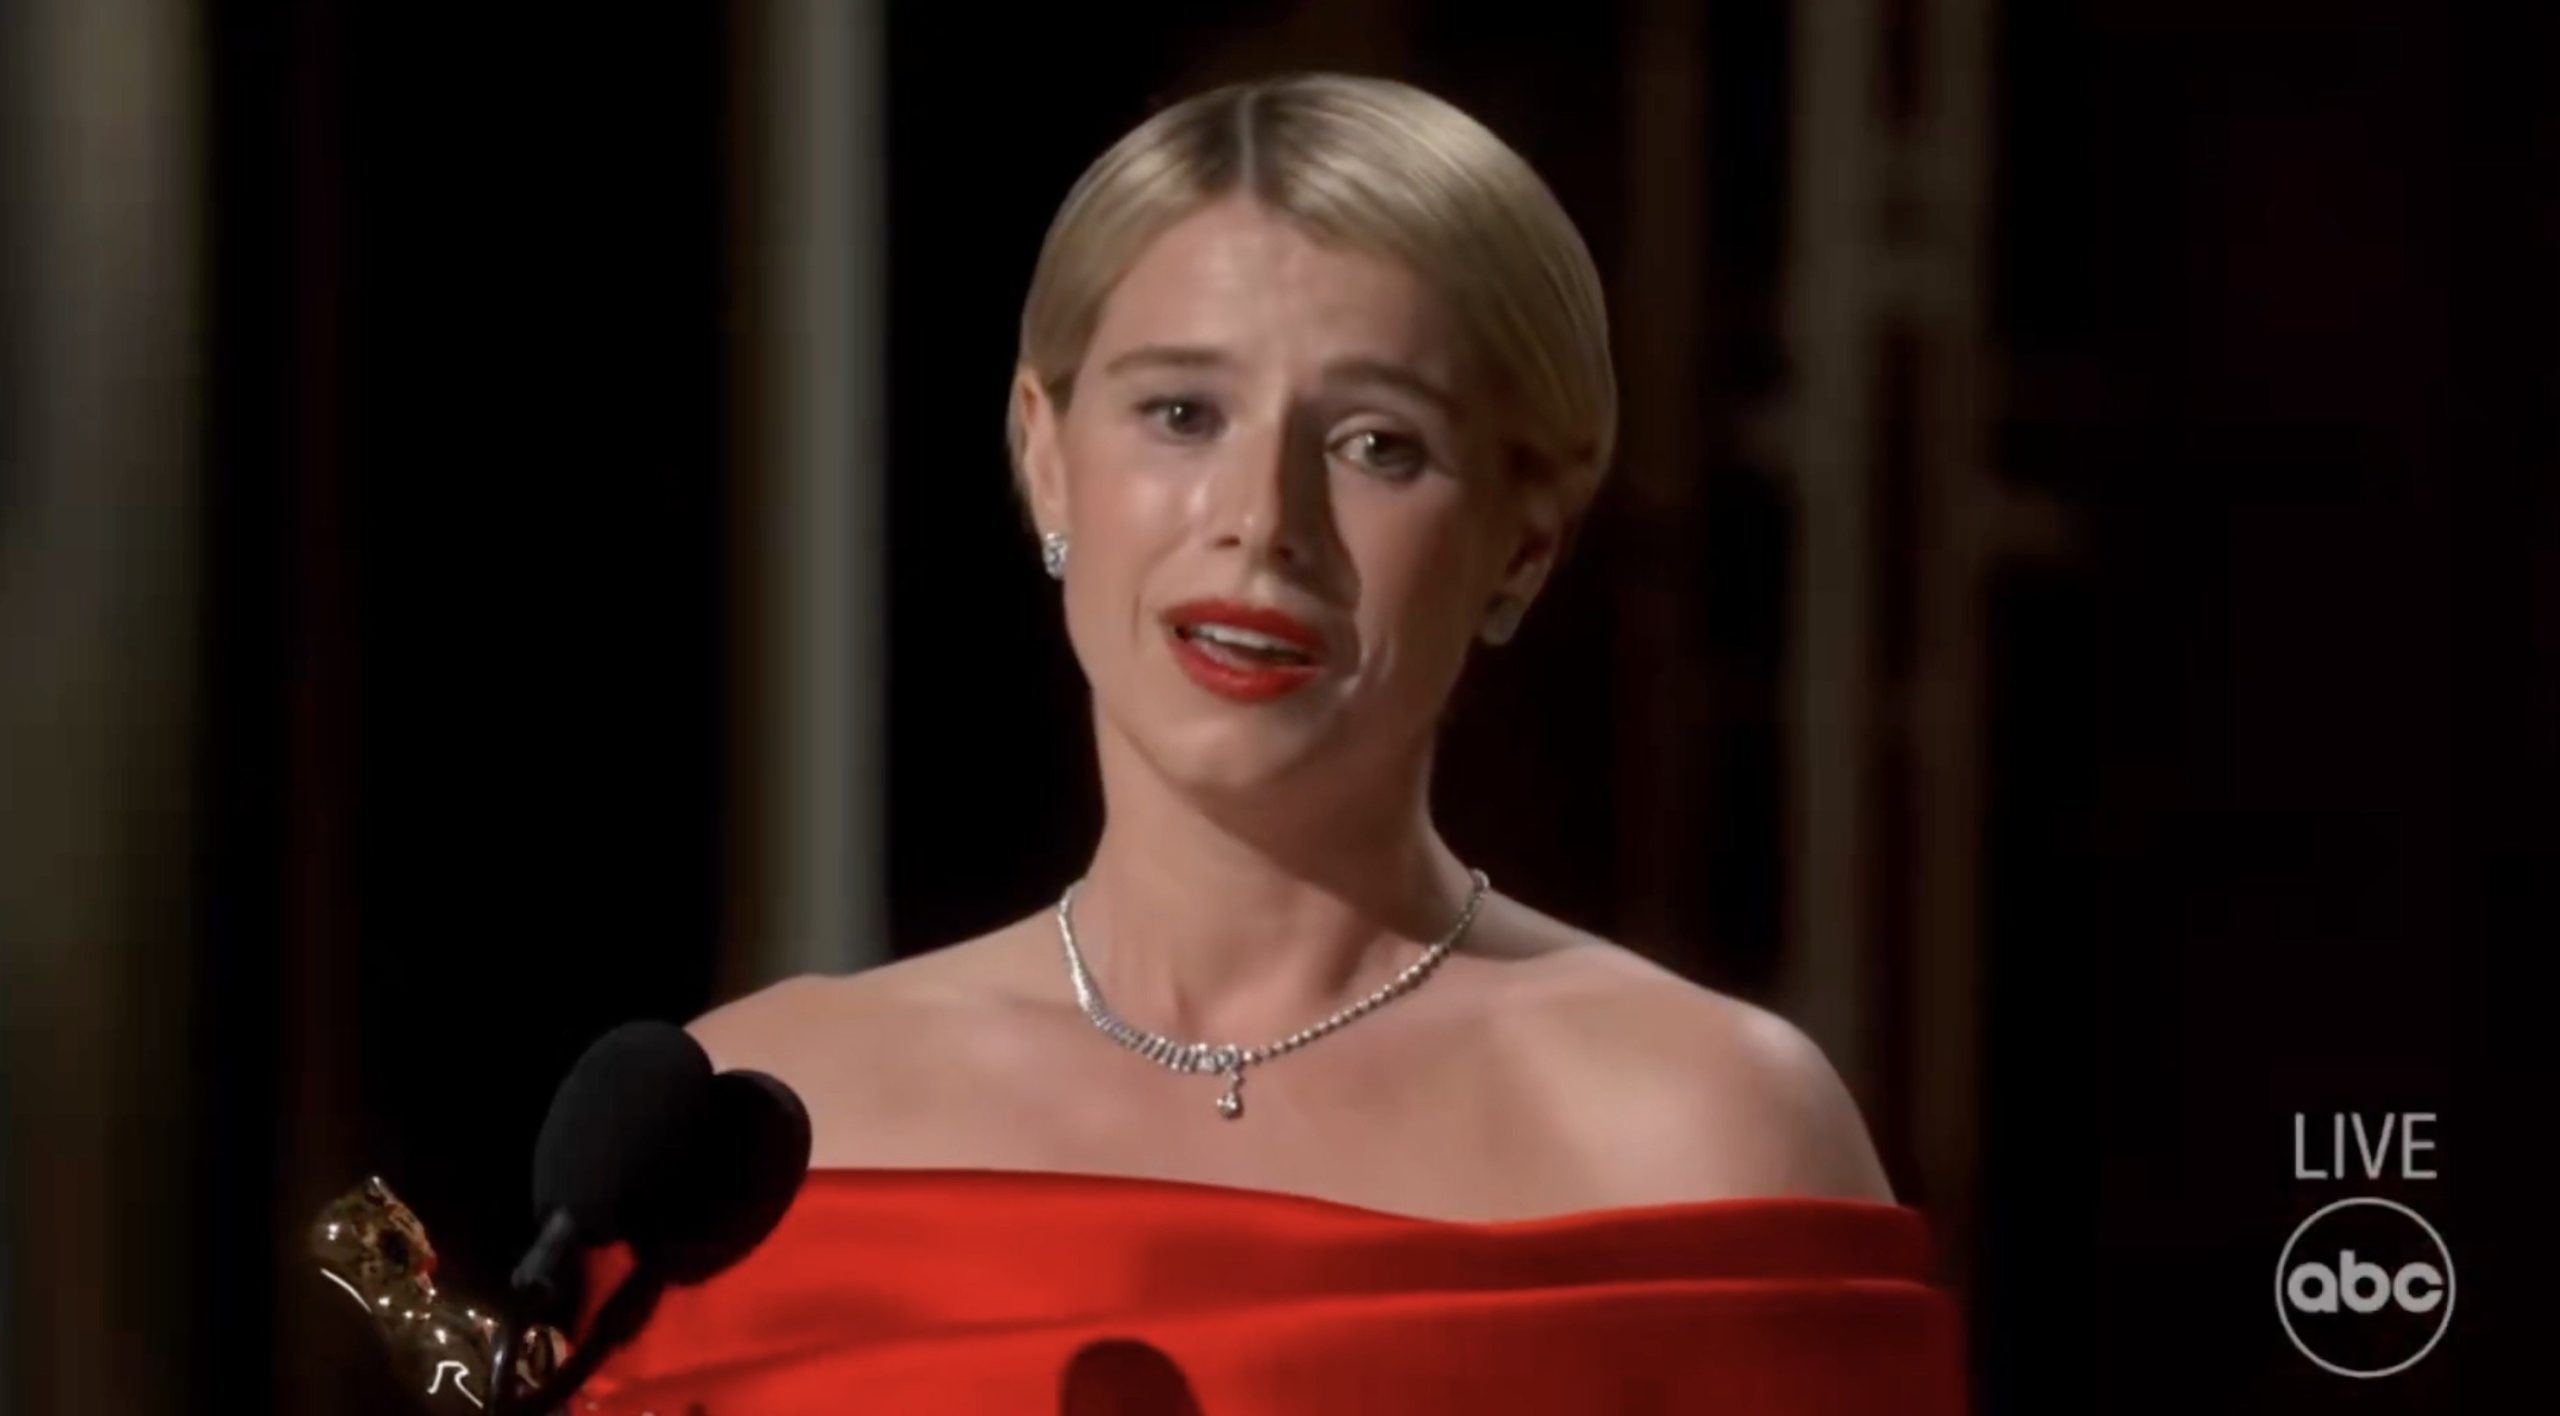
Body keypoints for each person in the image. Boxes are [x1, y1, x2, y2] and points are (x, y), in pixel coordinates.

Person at [576, 72, 1964, 1414]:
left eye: (1377, 445)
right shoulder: (749, 1136)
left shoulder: (1709, 1136)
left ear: (1523, 544)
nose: (1263, 519)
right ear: (1046, 455)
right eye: (1182, 414)